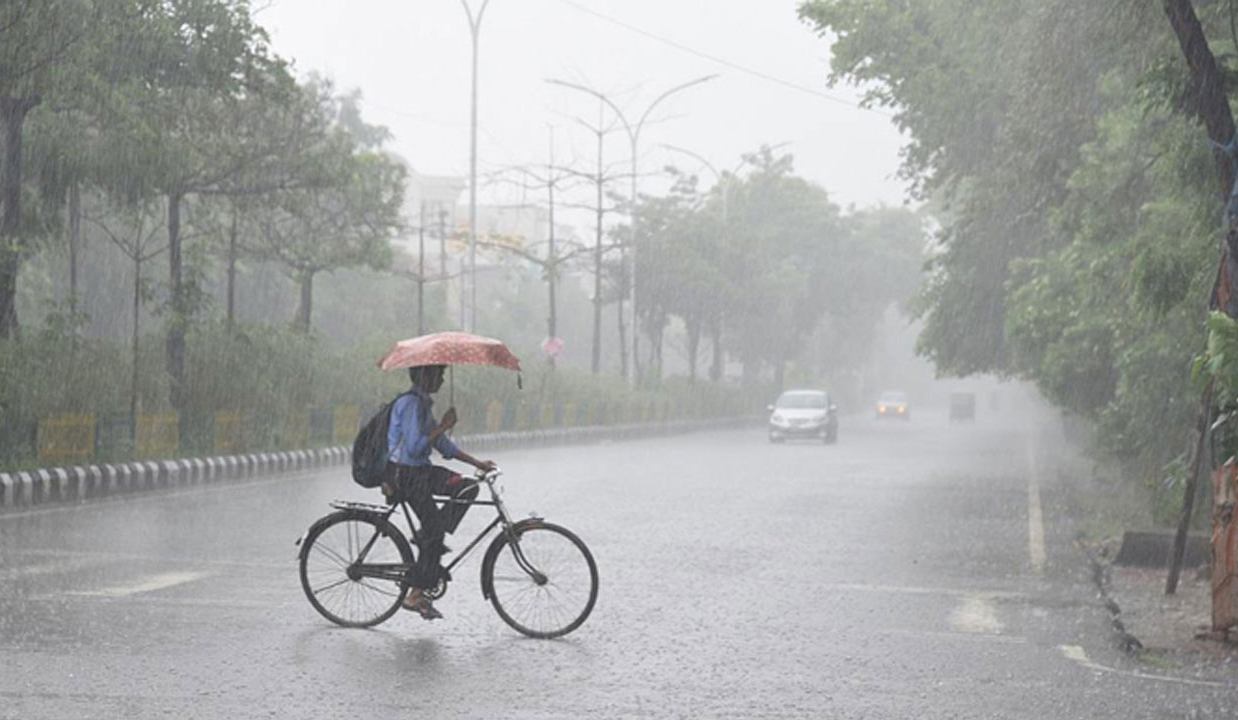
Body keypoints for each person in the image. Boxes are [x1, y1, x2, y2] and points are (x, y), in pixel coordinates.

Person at [382, 364, 495, 620]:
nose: (442, 380)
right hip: (406, 475)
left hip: (421, 471)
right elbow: (414, 447)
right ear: (425, 376)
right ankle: (416, 593)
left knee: (466, 486)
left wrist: (476, 463)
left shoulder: (422, 404)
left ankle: (428, 539)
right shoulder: (411, 405)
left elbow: (442, 445)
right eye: (438, 375)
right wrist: (443, 425)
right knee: (435, 531)